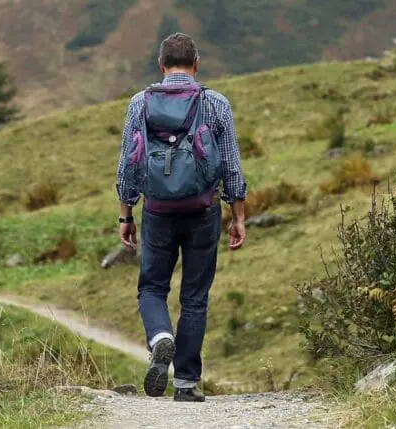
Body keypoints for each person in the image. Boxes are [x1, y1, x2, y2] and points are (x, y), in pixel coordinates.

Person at [115, 32, 247, 402]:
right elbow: (232, 166)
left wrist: (126, 215)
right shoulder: (215, 103)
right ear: (196, 64)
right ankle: (186, 383)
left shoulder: (140, 103)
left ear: (161, 65)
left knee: (152, 287)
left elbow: (127, 163)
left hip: (157, 210)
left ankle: (161, 337)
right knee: (195, 296)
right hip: (203, 210)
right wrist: (237, 215)